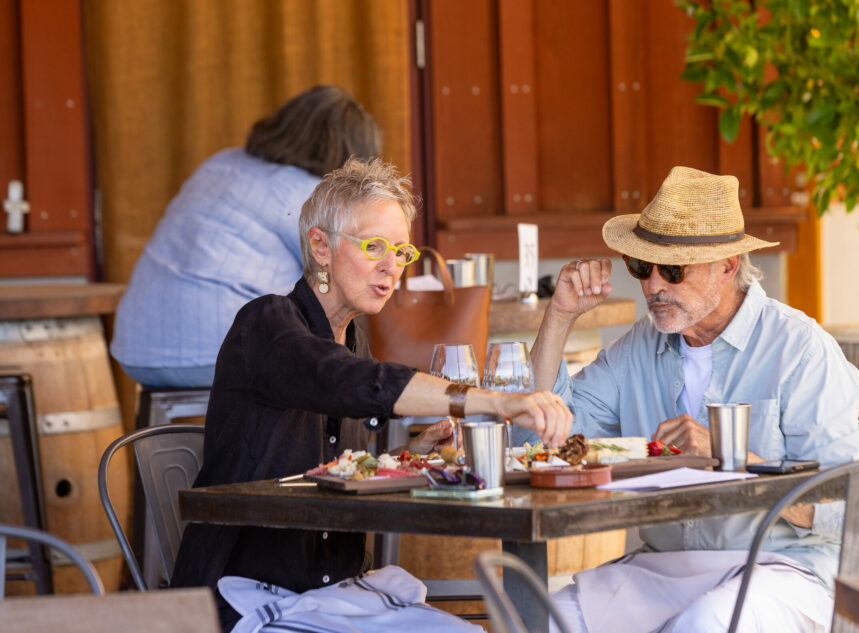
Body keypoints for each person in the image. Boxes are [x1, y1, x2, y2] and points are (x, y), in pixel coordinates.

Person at [170, 158, 573, 632]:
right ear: (321, 246)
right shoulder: (267, 324)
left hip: (334, 595)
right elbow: (340, 379)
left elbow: (327, 472)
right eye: (374, 246)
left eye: (401, 252)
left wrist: (405, 457)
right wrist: (495, 401)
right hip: (249, 597)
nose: (392, 267)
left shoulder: (355, 338)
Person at [526, 166, 859, 633]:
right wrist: (560, 316)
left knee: (705, 623)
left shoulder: (800, 349)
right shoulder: (637, 350)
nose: (652, 286)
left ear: (726, 267)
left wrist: (727, 455)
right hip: (667, 566)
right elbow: (546, 434)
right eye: (641, 267)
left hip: (783, 568)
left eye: (672, 269)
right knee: (539, 620)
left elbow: (845, 505)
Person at [111, 85, 381, 388]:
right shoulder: (311, 195)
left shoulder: (221, 164)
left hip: (137, 349)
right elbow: (351, 278)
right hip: (220, 351)